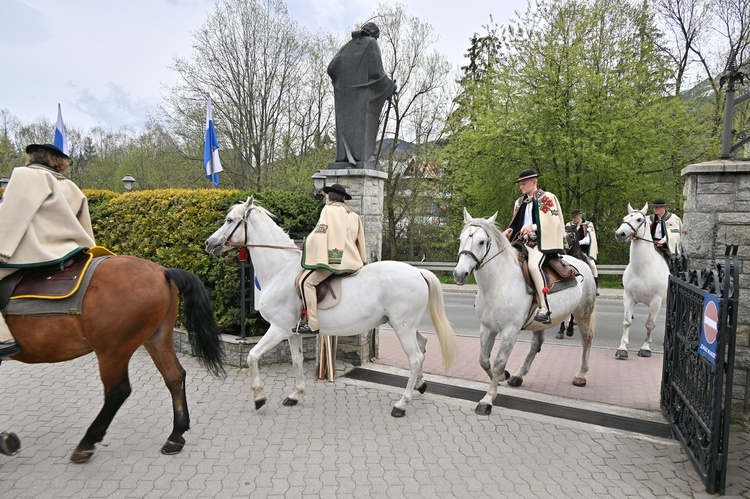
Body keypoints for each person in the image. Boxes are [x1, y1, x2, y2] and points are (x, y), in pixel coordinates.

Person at [0, 144, 96, 357]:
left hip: (34, 252)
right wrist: (89, 249)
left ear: (35, 157)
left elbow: (11, 214)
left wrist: (2, 249)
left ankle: (3, 339)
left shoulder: (25, 175)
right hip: (70, 250)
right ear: (58, 161)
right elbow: (83, 221)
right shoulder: (70, 186)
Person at [293, 184, 366, 334]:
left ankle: (312, 323)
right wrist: (362, 260)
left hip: (333, 262)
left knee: (306, 282)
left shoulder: (328, 210)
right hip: (353, 262)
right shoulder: (355, 216)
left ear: (328, 197)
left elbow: (321, 232)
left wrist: (307, 243)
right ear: (344, 198)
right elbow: (361, 241)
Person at [327, 22, 396, 167]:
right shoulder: (371, 43)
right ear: (374, 34)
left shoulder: (346, 47)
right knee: (361, 127)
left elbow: (331, 68)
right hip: (362, 96)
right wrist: (389, 86)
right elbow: (377, 72)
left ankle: (343, 157)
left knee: (346, 127)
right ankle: (360, 156)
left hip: (344, 97)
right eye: (377, 37)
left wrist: (345, 83)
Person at [503, 169, 565, 323]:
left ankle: (544, 307)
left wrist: (533, 227)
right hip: (521, 241)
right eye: (520, 184)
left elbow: (552, 221)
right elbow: (517, 223)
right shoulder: (519, 202)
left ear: (534, 182)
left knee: (533, 266)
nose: (521, 186)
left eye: (524, 183)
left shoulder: (547, 198)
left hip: (540, 241)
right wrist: (510, 230)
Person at [566, 209, 599, 295]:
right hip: (571, 248)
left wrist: (580, 242)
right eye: (572, 217)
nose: (573, 219)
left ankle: (595, 287)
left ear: (580, 217)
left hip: (583, 249)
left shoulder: (588, 225)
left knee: (592, 265)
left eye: (575, 217)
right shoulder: (569, 225)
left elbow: (589, 238)